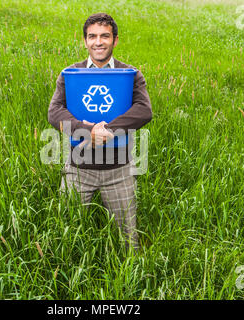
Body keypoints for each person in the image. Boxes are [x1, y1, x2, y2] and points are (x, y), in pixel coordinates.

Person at [48, 13, 152, 252]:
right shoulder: (70, 74)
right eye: (92, 36)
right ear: (84, 41)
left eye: (105, 36)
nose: (98, 42)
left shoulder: (131, 74)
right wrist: (86, 131)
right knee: (66, 233)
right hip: (77, 169)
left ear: (115, 40)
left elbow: (144, 110)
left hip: (119, 170)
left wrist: (105, 131)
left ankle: (130, 281)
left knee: (128, 239)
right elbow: (54, 112)